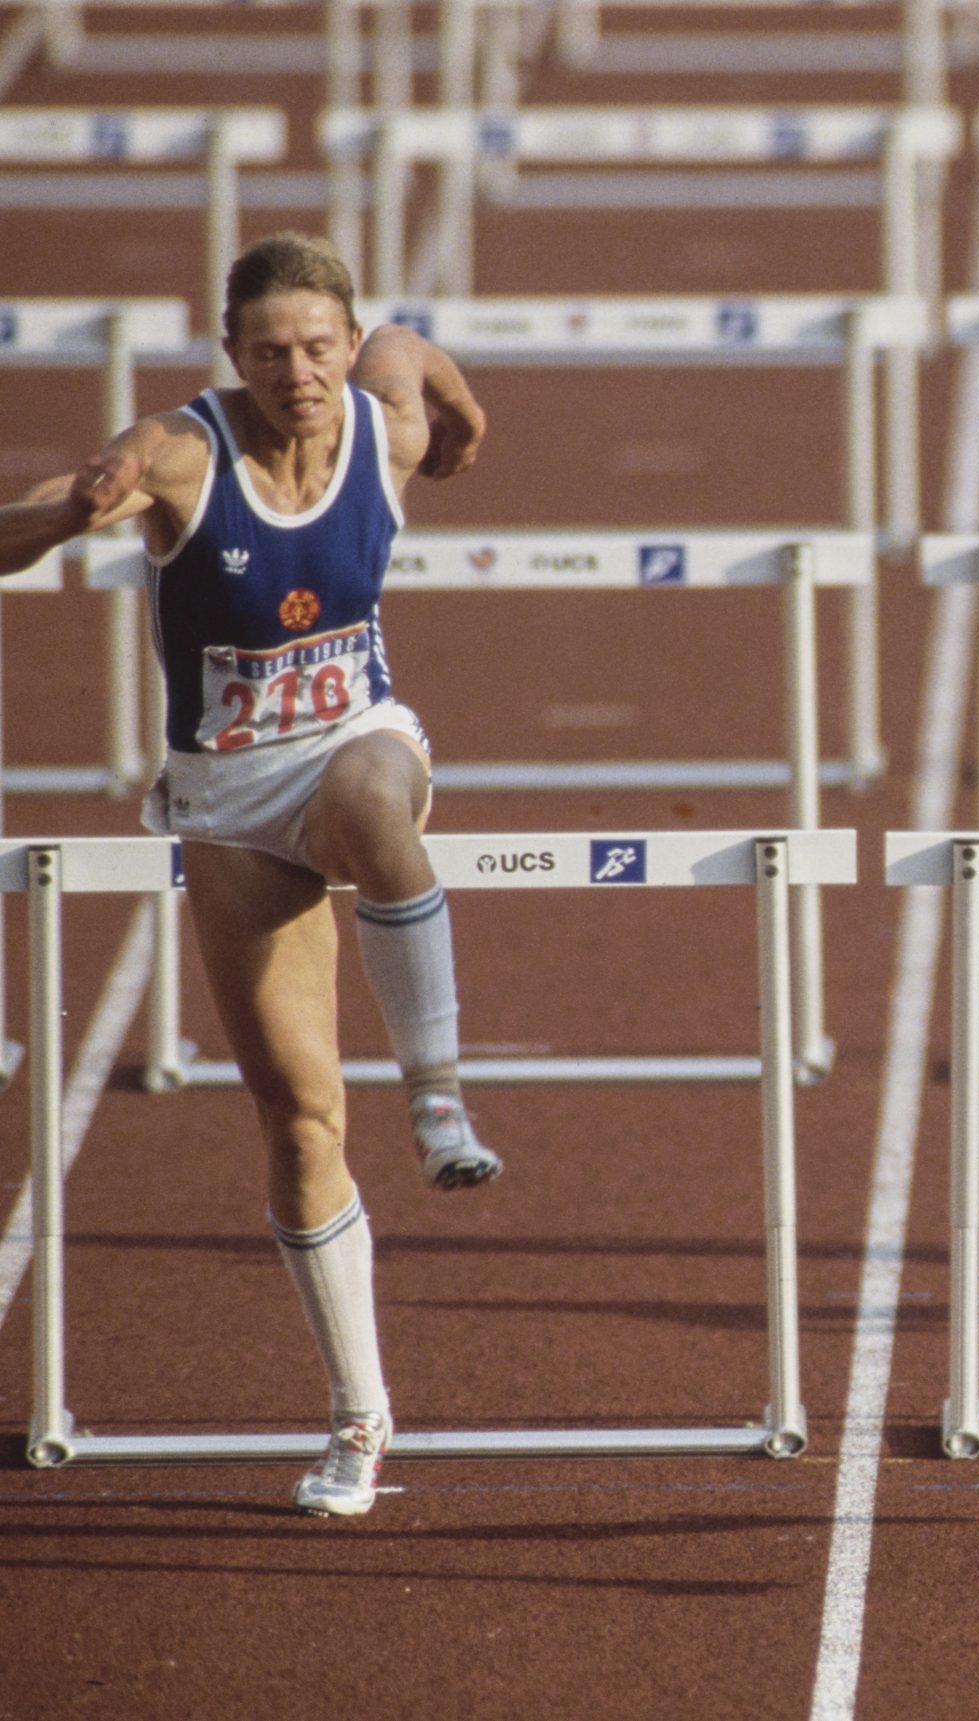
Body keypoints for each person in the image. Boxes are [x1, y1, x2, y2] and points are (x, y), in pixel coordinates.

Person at [0, 232, 503, 1514]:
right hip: (227, 801)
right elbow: (49, 522)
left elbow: (429, 371)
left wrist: (460, 426)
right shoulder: (179, 450)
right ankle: (358, 1414)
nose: (299, 373)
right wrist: (68, 507)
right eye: (270, 352)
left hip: (353, 741)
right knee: (298, 1117)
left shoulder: (380, 403)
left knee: (378, 801)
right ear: (233, 354)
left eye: (318, 348)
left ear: (348, 343)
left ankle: (440, 1099)